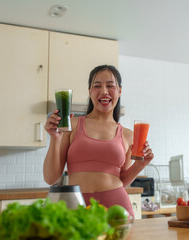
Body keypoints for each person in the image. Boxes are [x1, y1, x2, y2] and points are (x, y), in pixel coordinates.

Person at [43, 65, 154, 217]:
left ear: (119, 91)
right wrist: (55, 138)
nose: (104, 91)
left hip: (117, 205)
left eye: (110, 86)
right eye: (97, 86)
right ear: (89, 91)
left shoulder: (128, 135)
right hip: (77, 205)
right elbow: (50, 178)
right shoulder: (72, 125)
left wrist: (140, 164)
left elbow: (122, 180)